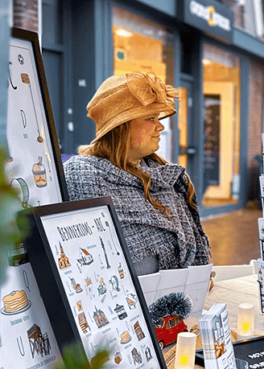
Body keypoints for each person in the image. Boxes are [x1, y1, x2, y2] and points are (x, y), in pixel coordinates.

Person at [64, 72, 211, 275]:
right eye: (151, 118)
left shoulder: (168, 178)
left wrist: (200, 277)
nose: (160, 126)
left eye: (158, 118)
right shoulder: (84, 177)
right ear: (120, 127)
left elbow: (197, 252)